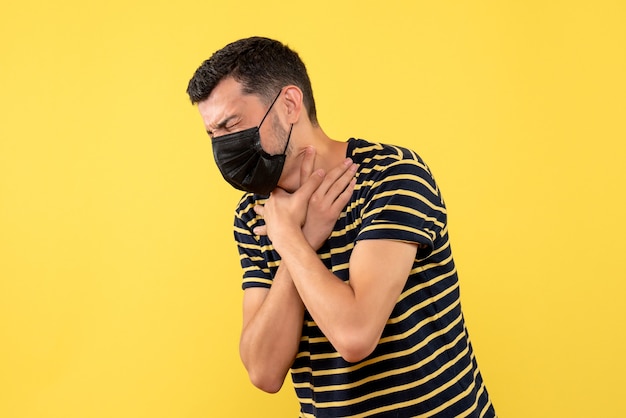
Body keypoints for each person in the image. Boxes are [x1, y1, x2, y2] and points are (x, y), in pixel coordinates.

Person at [187, 36, 496, 418]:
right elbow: (263, 370)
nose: (223, 145)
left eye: (231, 125)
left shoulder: (391, 176)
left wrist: (289, 239)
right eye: (212, 134)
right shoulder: (253, 215)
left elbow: (355, 335)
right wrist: (299, 240)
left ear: (288, 105)